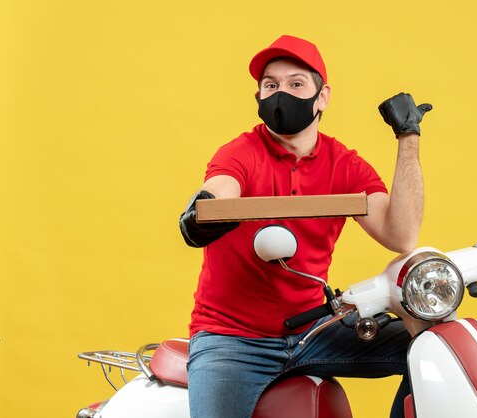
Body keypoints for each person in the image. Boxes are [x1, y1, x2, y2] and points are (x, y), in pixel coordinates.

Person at [179, 34, 432, 418]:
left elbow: (401, 235)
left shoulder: (343, 164)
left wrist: (408, 137)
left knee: (432, 346)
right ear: (258, 98)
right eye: (271, 86)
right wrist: (203, 211)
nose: (282, 94)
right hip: (231, 339)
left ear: (322, 97)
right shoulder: (240, 152)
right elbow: (219, 189)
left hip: (315, 331)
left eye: (296, 84)